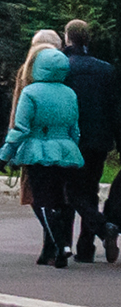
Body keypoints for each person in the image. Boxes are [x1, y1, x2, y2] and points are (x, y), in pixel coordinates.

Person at [2, 45, 91, 266]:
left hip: (37, 150)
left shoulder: (30, 92)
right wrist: (71, 147)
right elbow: (74, 129)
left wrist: (6, 154)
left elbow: (21, 128)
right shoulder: (69, 93)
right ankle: (63, 245)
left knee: (41, 200)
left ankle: (61, 245)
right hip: (66, 150)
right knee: (60, 199)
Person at [65, 22, 117, 258]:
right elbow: (114, 108)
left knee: (71, 192)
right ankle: (85, 248)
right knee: (91, 190)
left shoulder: (64, 68)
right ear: (88, 39)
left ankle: (103, 226)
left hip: (72, 139)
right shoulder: (106, 69)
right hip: (100, 139)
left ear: (68, 39)